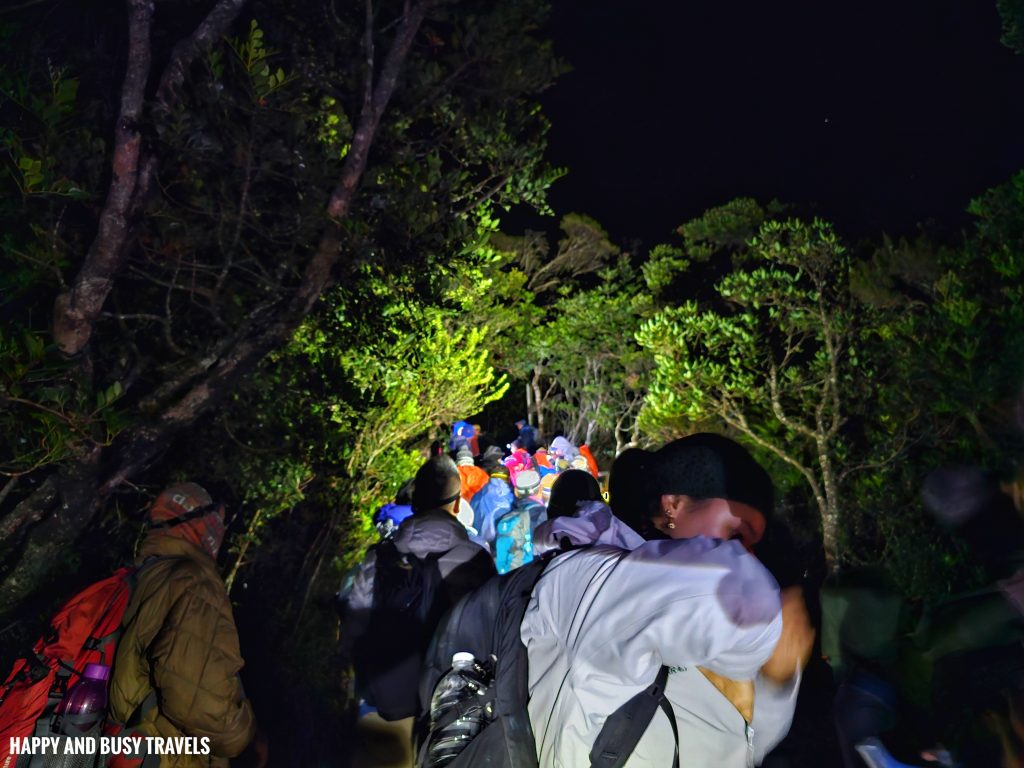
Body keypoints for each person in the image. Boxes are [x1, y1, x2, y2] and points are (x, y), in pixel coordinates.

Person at [521, 433, 814, 767]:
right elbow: (572, 725)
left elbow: (750, 740)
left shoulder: (705, 611)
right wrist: (765, 625)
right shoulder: (598, 577)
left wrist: (777, 680)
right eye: (736, 531)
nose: (743, 550)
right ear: (672, 506)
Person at [344, 455, 496, 766]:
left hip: (387, 700)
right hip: (449, 708)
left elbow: (354, 625)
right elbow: (491, 631)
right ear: (456, 505)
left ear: (414, 502)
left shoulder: (381, 556)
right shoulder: (474, 559)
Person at [110, 482, 267, 768]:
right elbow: (202, 706)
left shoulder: (137, 575)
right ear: (203, 527)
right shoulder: (193, 583)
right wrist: (246, 733)